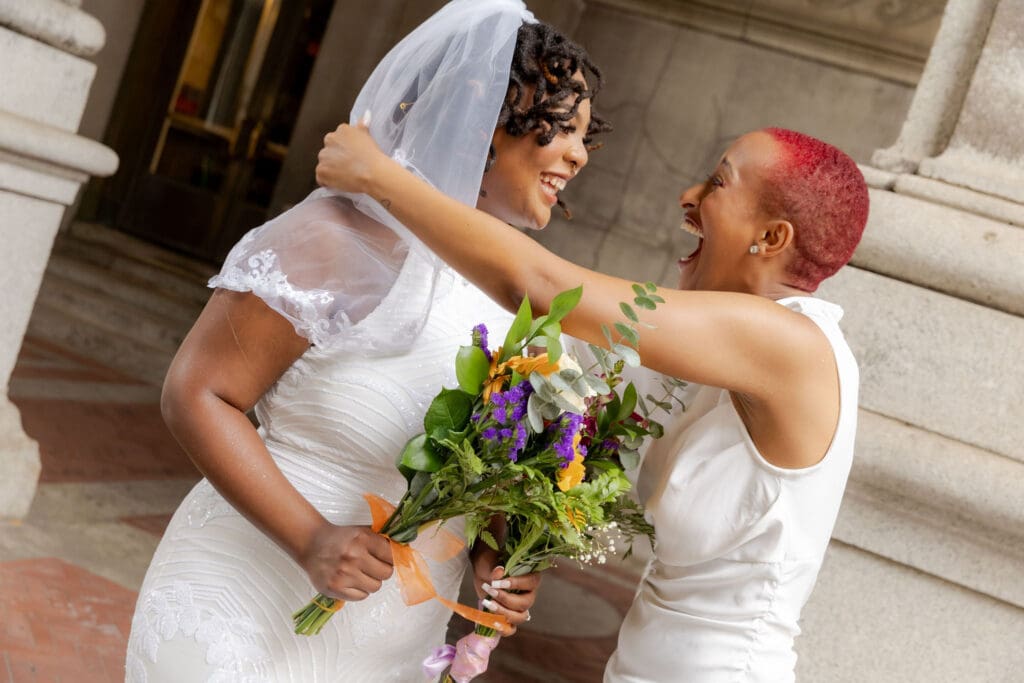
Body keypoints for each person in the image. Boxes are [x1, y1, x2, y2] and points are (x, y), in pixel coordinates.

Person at [125, 1, 610, 680]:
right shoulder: (334, 237)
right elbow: (196, 392)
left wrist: (496, 553)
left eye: (585, 135)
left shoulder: (513, 297)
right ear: (484, 119)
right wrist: (312, 537)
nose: (580, 154)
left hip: (389, 640)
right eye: (562, 127)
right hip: (241, 604)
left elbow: (480, 461)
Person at [314, 120, 869, 681]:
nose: (689, 196)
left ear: (771, 239)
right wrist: (513, 546)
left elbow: (544, 288)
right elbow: (565, 407)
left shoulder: (791, 345)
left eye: (717, 184)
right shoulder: (715, 351)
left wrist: (379, 176)